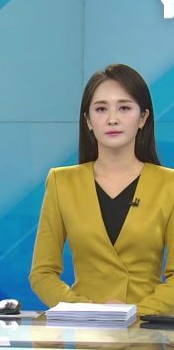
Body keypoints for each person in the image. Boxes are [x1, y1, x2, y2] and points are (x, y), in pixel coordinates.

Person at [29, 63, 174, 315]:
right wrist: (88, 311)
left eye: (124, 108)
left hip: (146, 331)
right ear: (88, 120)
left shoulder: (169, 185)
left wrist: (134, 312)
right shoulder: (61, 182)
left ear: (143, 118)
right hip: (85, 331)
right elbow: (42, 274)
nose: (112, 119)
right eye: (101, 109)